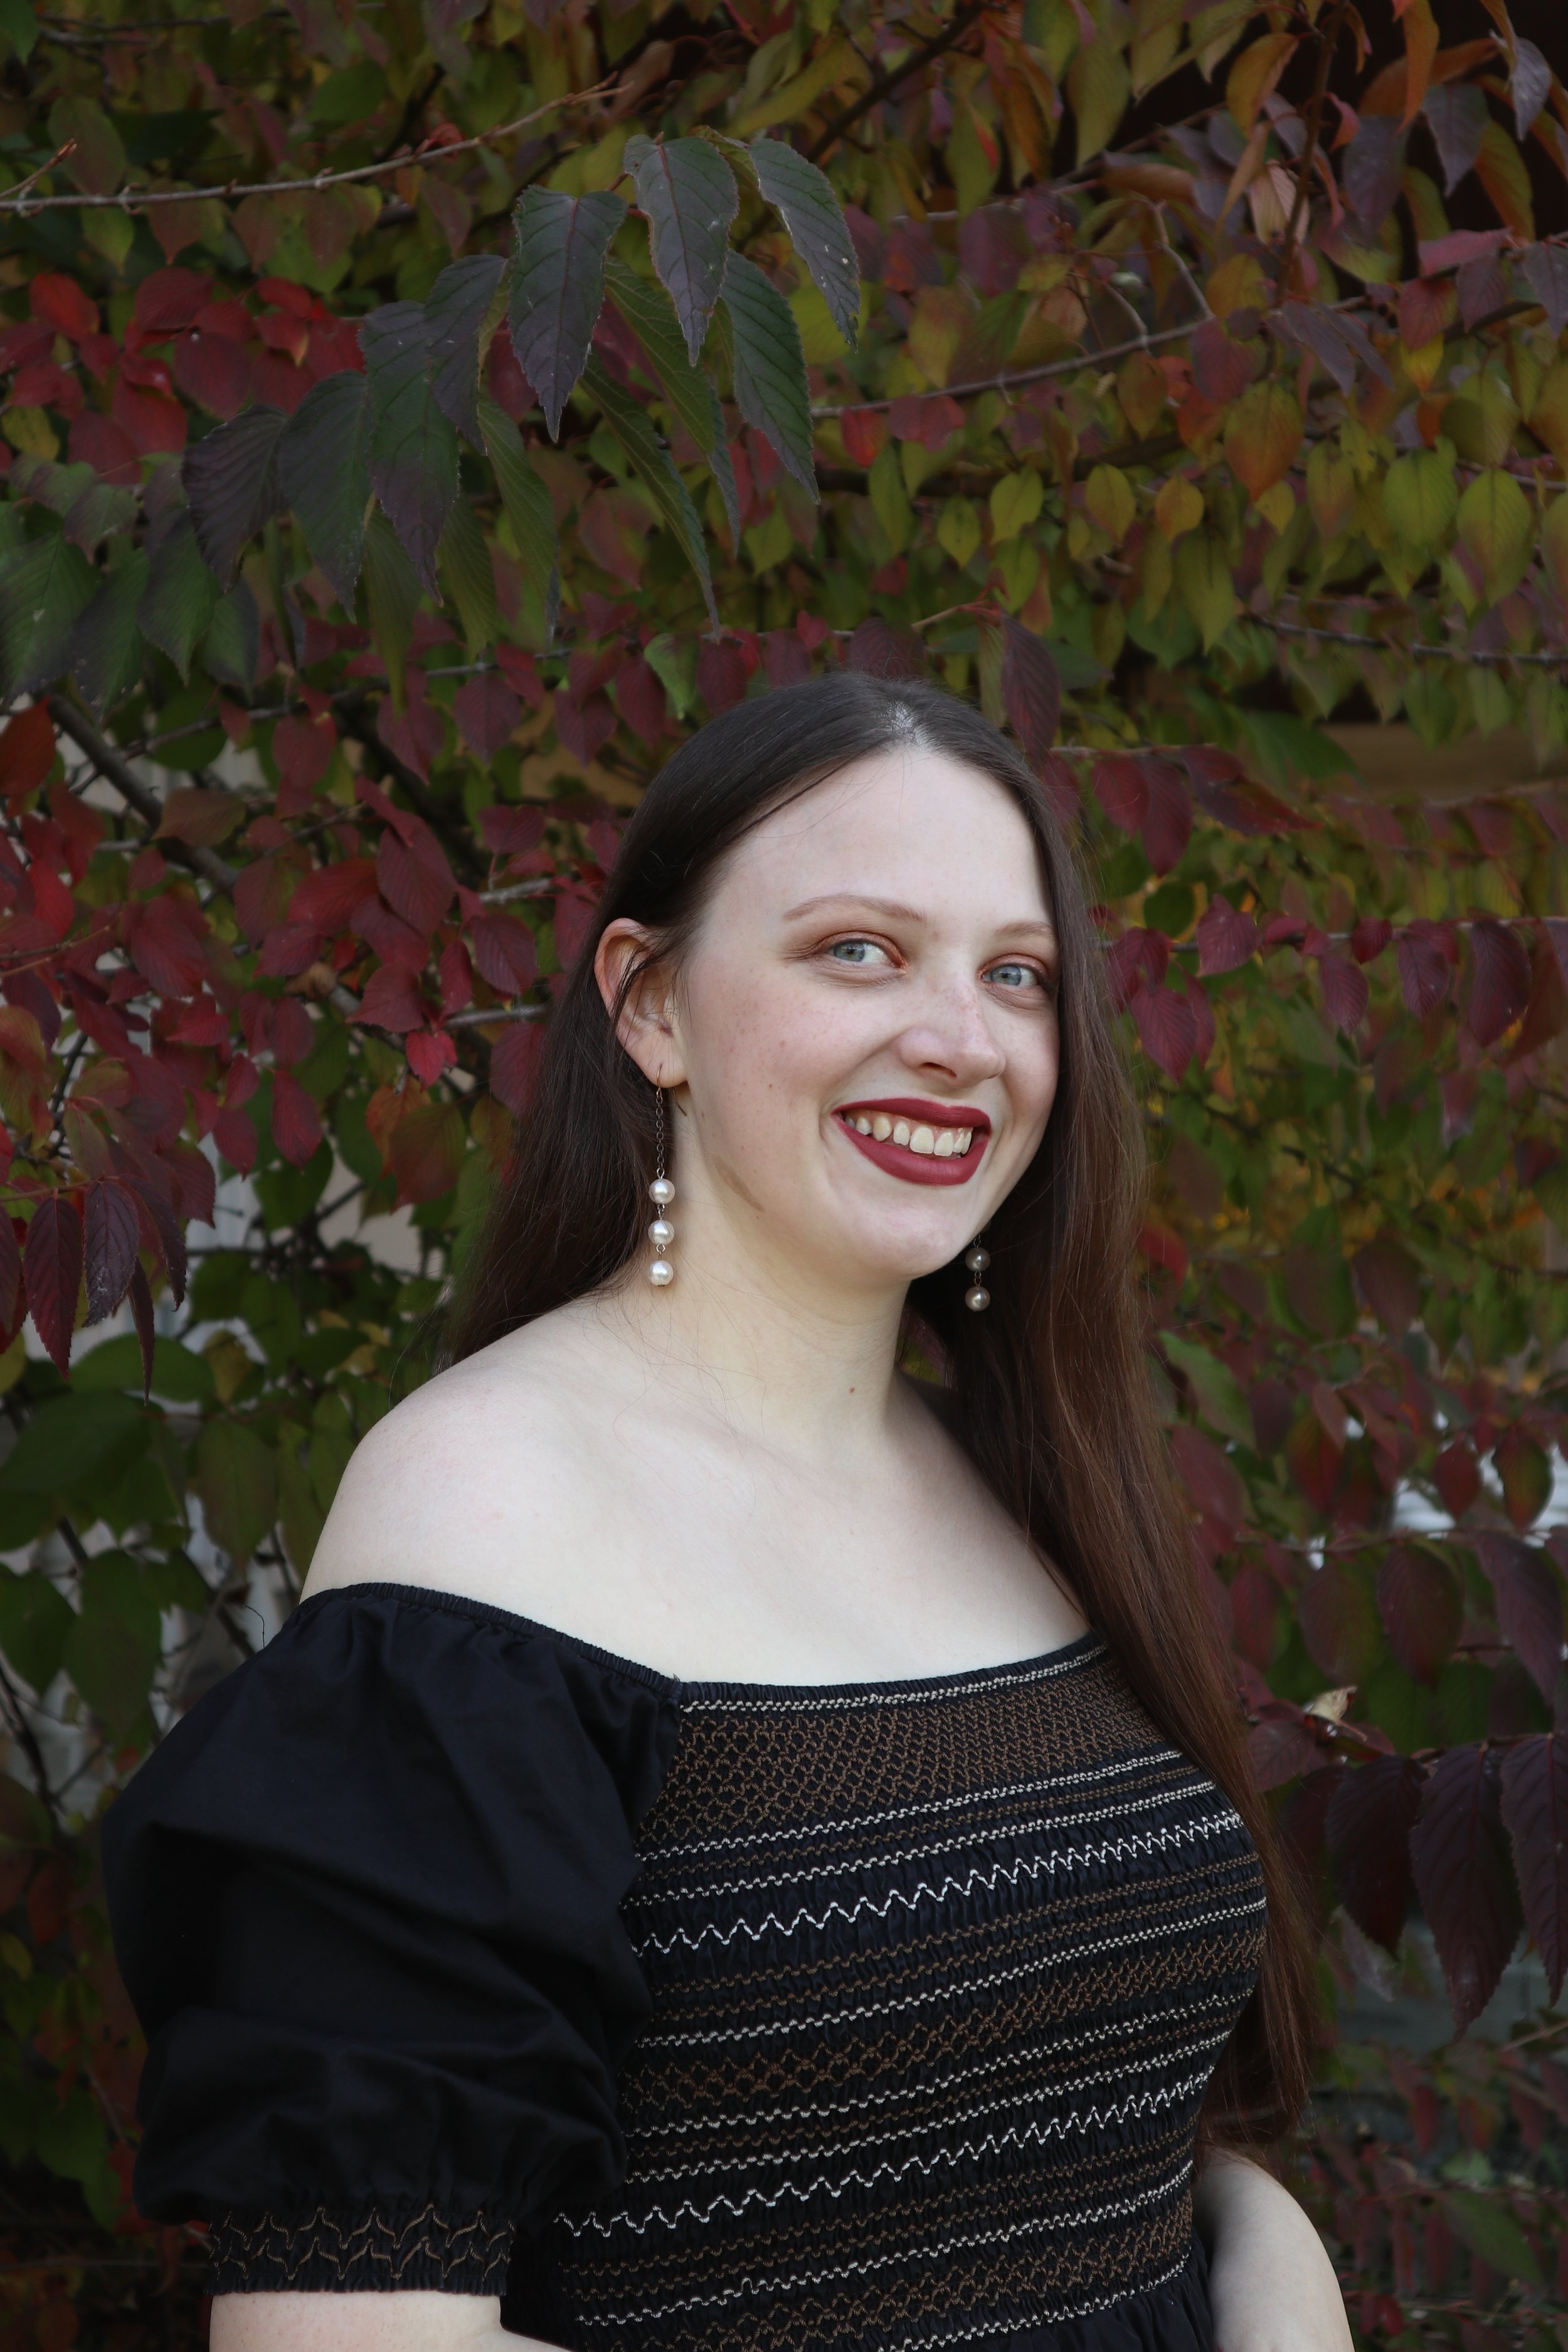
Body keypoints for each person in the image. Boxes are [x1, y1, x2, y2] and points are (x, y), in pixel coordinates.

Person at [105, 675, 1352, 2352]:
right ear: (651, 1009)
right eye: (858, 950)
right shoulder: (484, 1514)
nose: (961, 1037)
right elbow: (346, 2340)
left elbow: (1087, 2139)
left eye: (1016, 974)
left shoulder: (1024, 1480)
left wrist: (1270, 2258)